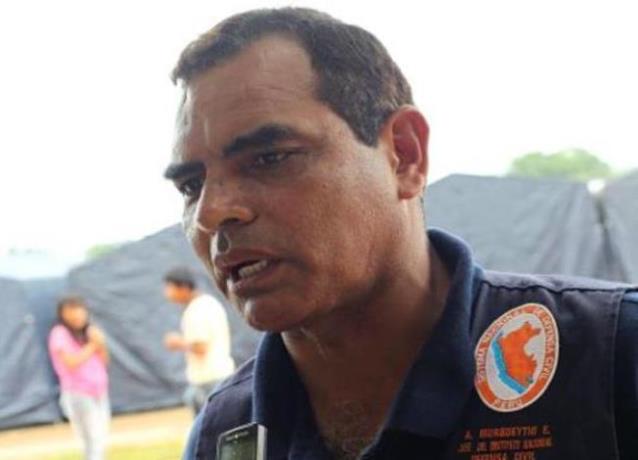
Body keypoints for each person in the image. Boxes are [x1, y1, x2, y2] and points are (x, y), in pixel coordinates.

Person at [163, 8, 638, 459]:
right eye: (190, 186)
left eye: (270, 158)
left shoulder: (610, 357)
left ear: (405, 156)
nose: (211, 212)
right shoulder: (221, 433)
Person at [163, 266, 235, 416]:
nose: (167, 293)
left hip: (210, 380)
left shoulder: (197, 309)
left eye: (169, 288)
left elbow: (201, 347)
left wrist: (177, 342)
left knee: (211, 427)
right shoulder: (208, 303)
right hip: (217, 377)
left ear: (183, 287)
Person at [48, 295, 110, 460]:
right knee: (92, 438)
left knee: (100, 436)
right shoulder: (59, 333)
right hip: (78, 393)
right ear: (62, 314)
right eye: (71, 310)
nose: (76, 315)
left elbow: (104, 361)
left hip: (99, 390)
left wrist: (100, 343)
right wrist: (92, 345)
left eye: (79, 309)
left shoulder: (89, 331)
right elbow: (71, 362)